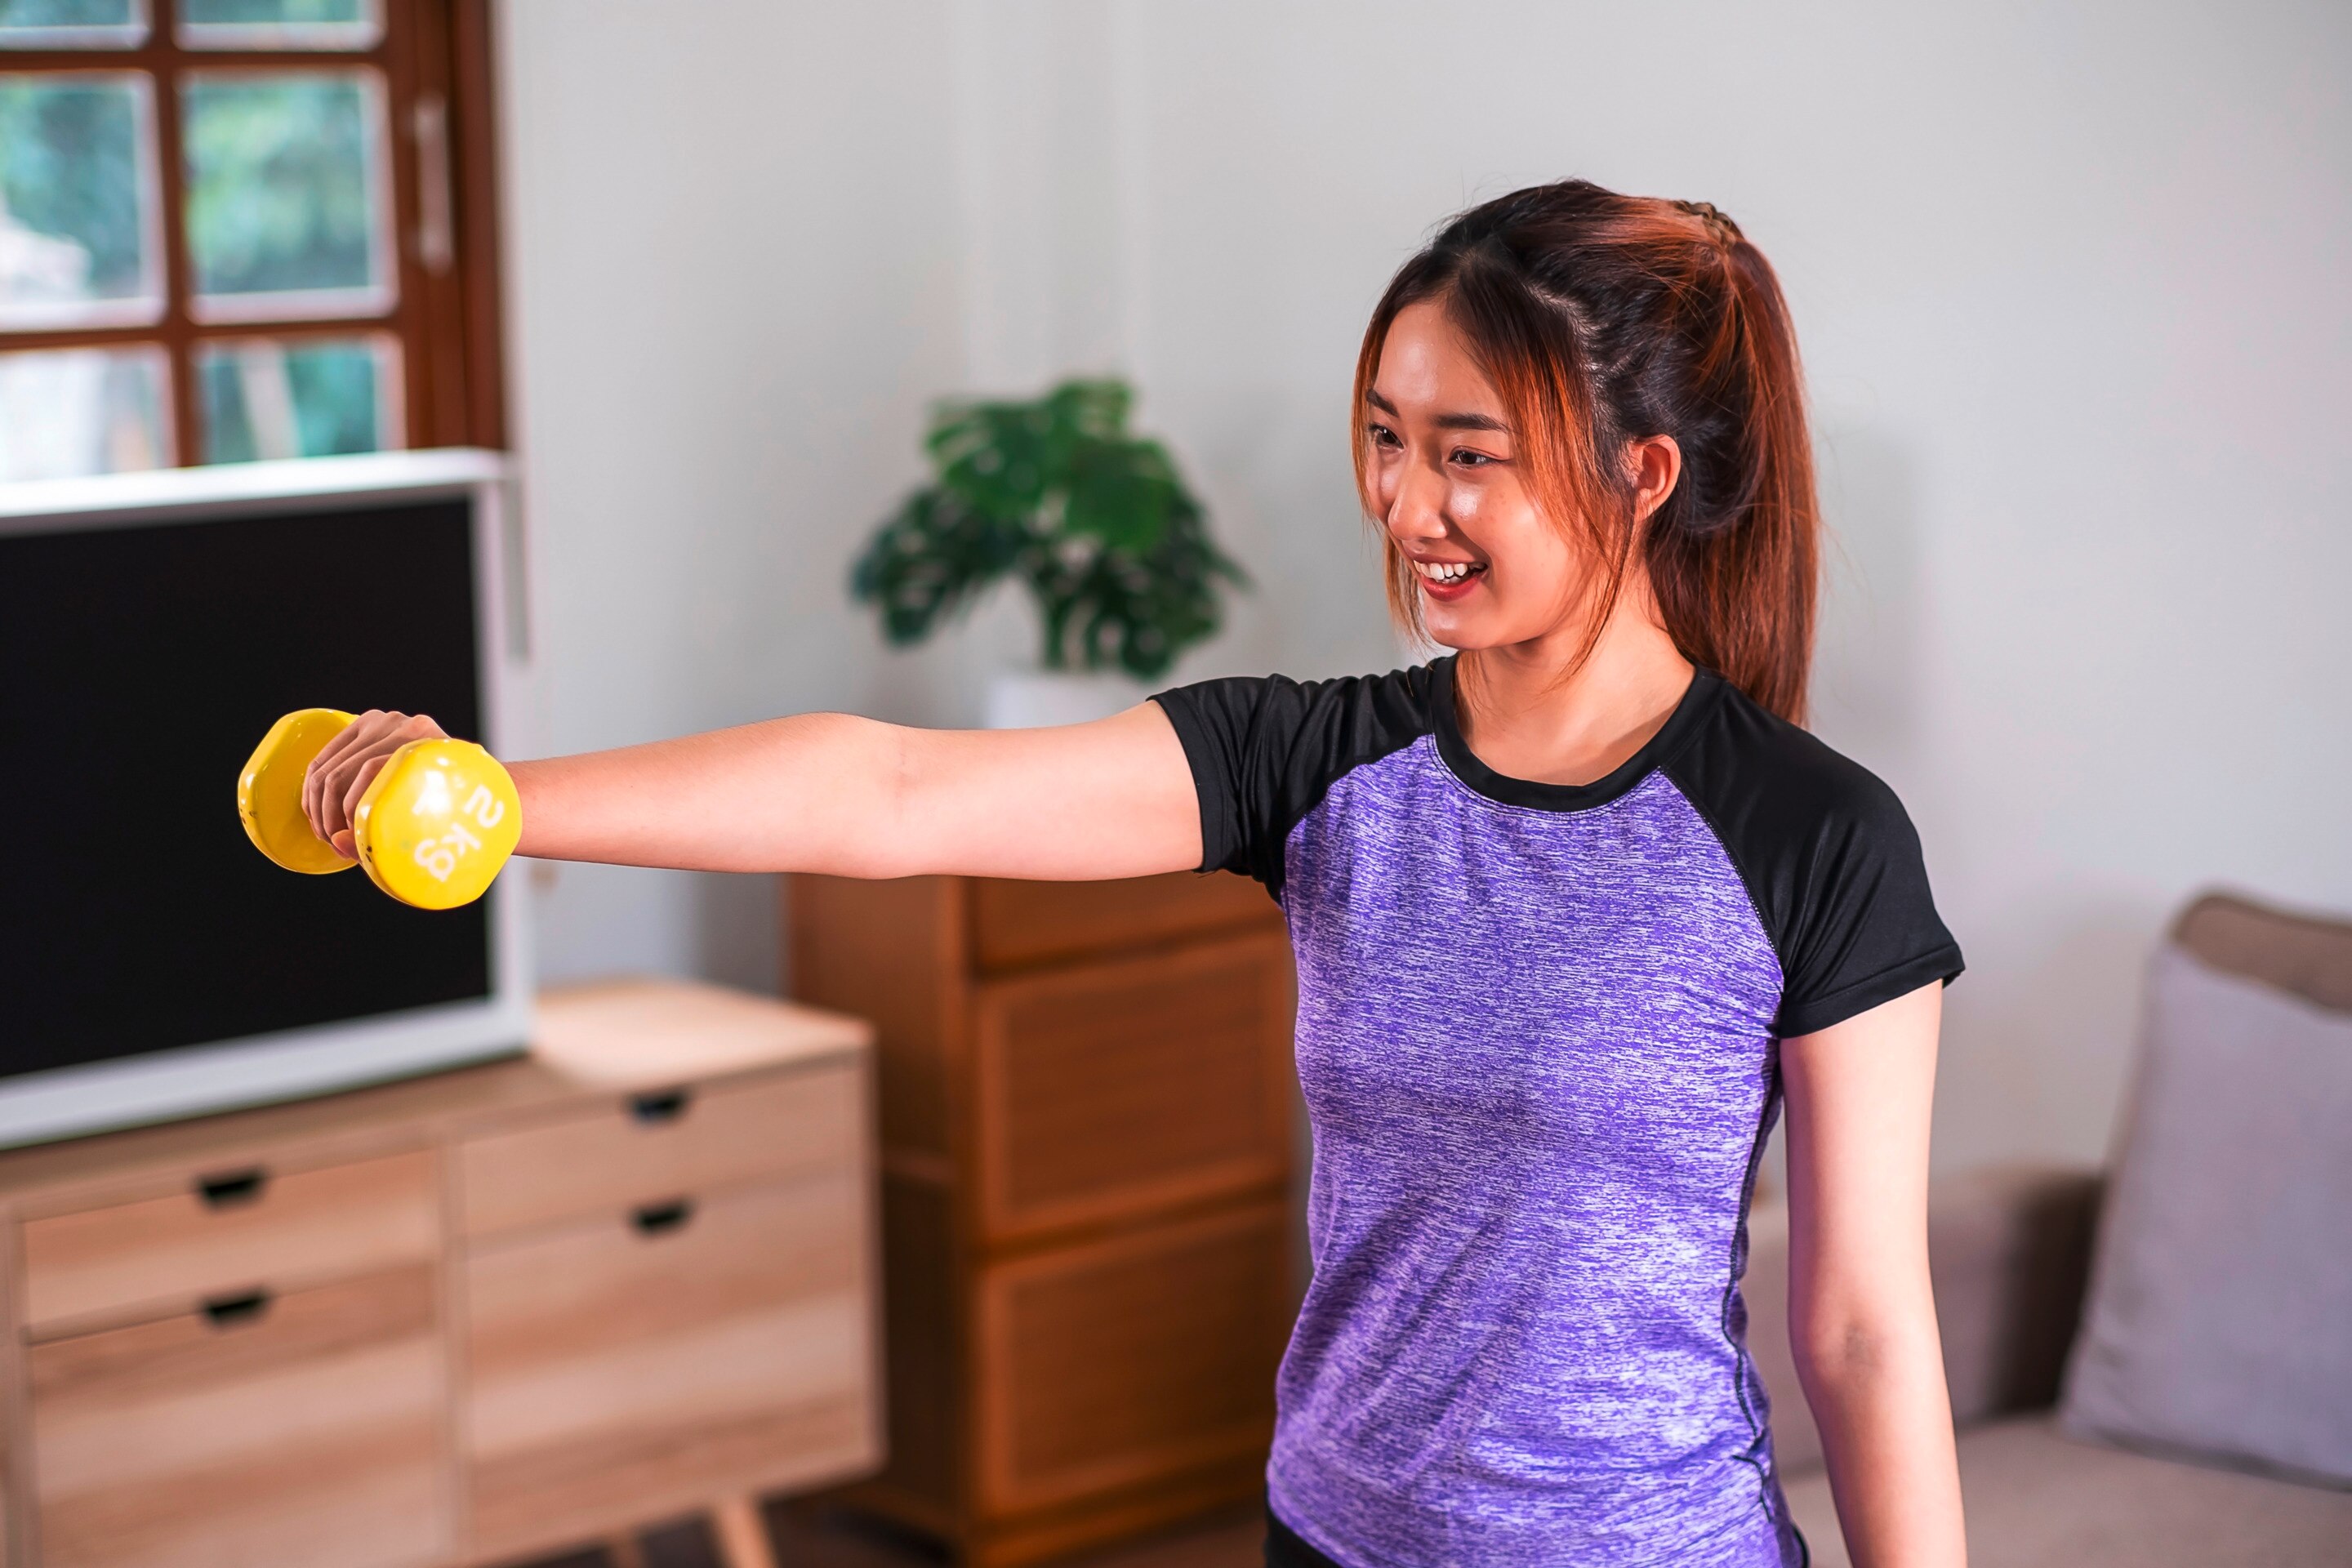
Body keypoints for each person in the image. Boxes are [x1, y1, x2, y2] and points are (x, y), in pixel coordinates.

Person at [303, 180, 1967, 1568]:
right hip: (1329, 1537)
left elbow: (1865, 1334)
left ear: (1641, 476)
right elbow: (890, 793)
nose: (1404, 502)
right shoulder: (1319, 767)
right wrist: (496, 796)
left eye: (1471, 453)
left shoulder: (1811, 841)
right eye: (1386, 439)